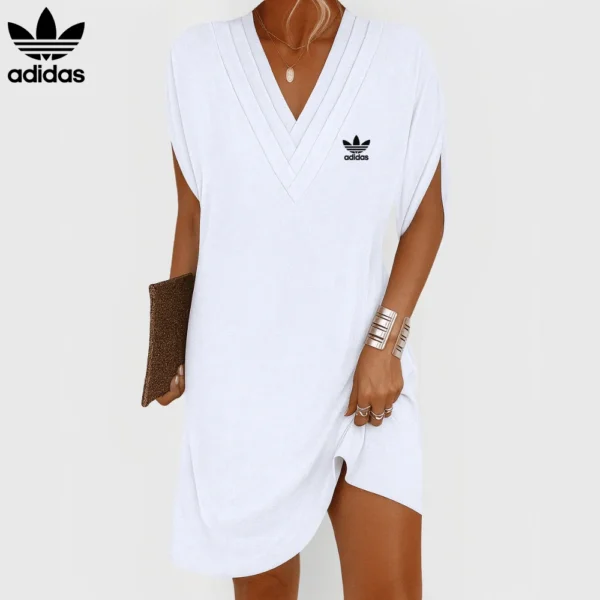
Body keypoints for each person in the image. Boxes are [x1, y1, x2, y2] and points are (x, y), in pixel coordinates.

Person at [157, 1, 446, 598]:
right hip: (243, 387)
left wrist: (386, 343)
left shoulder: (399, 57)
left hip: (367, 382)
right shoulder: (197, 59)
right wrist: (165, 350)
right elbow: (191, 217)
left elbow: (426, 214)